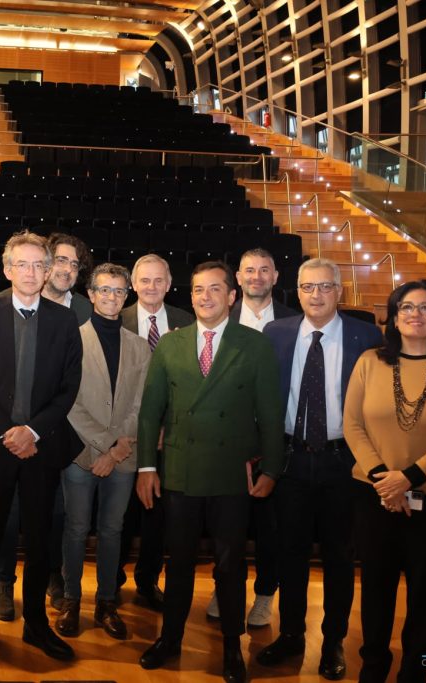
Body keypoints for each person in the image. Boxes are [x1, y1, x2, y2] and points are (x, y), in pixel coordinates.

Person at [135, 260, 284, 682]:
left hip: (230, 476)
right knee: (178, 561)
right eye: (198, 289)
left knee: (231, 566)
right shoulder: (170, 344)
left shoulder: (253, 345)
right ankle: (171, 639)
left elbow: (270, 415)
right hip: (180, 470)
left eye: (215, 289)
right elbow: (150, 415)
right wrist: (148, 465)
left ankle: (232, 648)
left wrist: (272, 468)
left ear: (231, 296)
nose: (205, 297)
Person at [0, 230, 83, 664]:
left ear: (48, 271)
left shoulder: (65, 321)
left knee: (39, 542)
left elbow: (69, 388)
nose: (31, 273)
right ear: (7, 269)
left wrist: (32, 432)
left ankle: (36, 626)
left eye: (39, 265)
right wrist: (9, 433)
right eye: (22, 264)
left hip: (41, 449)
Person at [343, 280, 426, 683]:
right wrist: (386, 481)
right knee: (376, 590)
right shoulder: (369, 361)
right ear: (394, 316)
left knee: (425, 593)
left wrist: (408, 479)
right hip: (374, 494)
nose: (415, 314)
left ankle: (415, 672)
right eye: (406, 307)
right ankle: (373, 667)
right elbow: (352, 425)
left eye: (425, 308)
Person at [258, 258, 383, 680]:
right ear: (297, 291)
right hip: (291, 461)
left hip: (343, 463)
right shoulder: (276, 333)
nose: (316, 295)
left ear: (340, 291)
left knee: (339, 559)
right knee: (289, 554)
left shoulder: (366, 336)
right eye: (308, 287)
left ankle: (332, 642)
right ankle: (291, 634)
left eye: (325, 287)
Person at [0, 231, 91, 620]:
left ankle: (51, 575)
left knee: (55, 514)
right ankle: (4, 582)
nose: (66, 269)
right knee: (10, 513)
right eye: (60, 261)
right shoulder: (2, 305)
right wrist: (17, 430)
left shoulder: (84, 310)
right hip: (11, 434)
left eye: (73, 263)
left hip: (63, 432)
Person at [57, 263, 150, 640]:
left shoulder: (140, 347)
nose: (112, 297)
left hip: (124, 455)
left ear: (126, 296)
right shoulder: (72, 340)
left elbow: (142, 405)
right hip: (82, 454)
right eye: (104, 290)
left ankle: (107, 603)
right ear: (91, 295)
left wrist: (116, 449)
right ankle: (71, 600)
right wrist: (104, 445)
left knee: (112, 531)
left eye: (119, 291)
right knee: (77, 529)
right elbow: (68, 402)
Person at [209, 248, 300, 626]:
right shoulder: (217, 320)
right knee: (226, 525)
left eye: (265, 270)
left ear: (277, 277)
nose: (257, 276)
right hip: (227, 441)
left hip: (275, 439)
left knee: (270, 528)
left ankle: (264, 595)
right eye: (249, 270)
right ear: (238, 280)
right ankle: (223, 587)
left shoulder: (296, 323)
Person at [116, 253, 193, 611]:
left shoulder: (186, 321)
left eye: (158, 280)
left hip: (170, 436)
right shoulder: (116, 317)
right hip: (124, 435)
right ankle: (111, 581)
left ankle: (148, 581)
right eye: (144, 280)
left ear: (169, 282)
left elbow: (194, 382)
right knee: (119, 514)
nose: (151, 287)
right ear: (133, 284)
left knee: (157, 516)